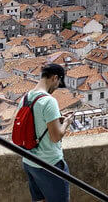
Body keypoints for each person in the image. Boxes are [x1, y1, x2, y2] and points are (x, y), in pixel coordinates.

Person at [20, 63, 73, 202]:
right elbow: (55, 137)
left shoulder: (26, 97)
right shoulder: (49, 101)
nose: (56, 88)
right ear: (55, 78)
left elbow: (34, 124)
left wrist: (56, 119)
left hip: (29, 161)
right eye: (58, 84)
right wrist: (66, 123)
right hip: (50, 163)